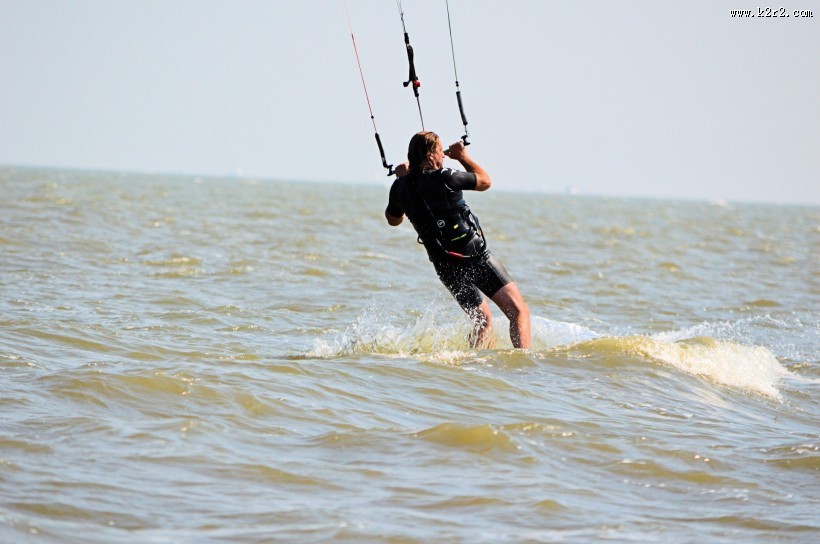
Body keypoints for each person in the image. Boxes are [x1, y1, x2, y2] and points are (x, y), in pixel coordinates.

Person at [385, 131, 530, 349]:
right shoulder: (445, 177)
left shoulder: (399, 187)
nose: (443, 156)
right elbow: (485, 182)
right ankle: (524, 368)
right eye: (440, 152)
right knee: (518, 312)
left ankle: (473, 368)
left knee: (482, 322)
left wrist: (401, 179)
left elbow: (393, 220)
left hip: (444, 264)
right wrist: (462, 156)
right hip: (473, 255)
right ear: (430, 155)